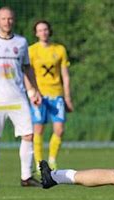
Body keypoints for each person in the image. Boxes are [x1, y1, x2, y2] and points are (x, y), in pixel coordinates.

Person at [0, 7, 42, 188]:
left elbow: (27, 68)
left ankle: (26, 178)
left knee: (28, 134)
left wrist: (33, 91)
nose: (7, 22)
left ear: (14, 20)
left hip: (18, 98)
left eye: (10, 19)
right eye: (3, 19)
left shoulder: (21, 42)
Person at [28, 20, 73, 171]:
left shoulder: (59, 49)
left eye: (45, 29)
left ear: (49, 31)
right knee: (38, 129)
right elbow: (28, 74)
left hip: (56, 94)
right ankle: (40, 163)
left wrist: (67, 97)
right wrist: (32, 92)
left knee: (59, 129)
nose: (43, 32)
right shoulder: (32, 50)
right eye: (40, 30)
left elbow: (65, 76)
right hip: (39, 95)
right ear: (36, 33)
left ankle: (52, 160)